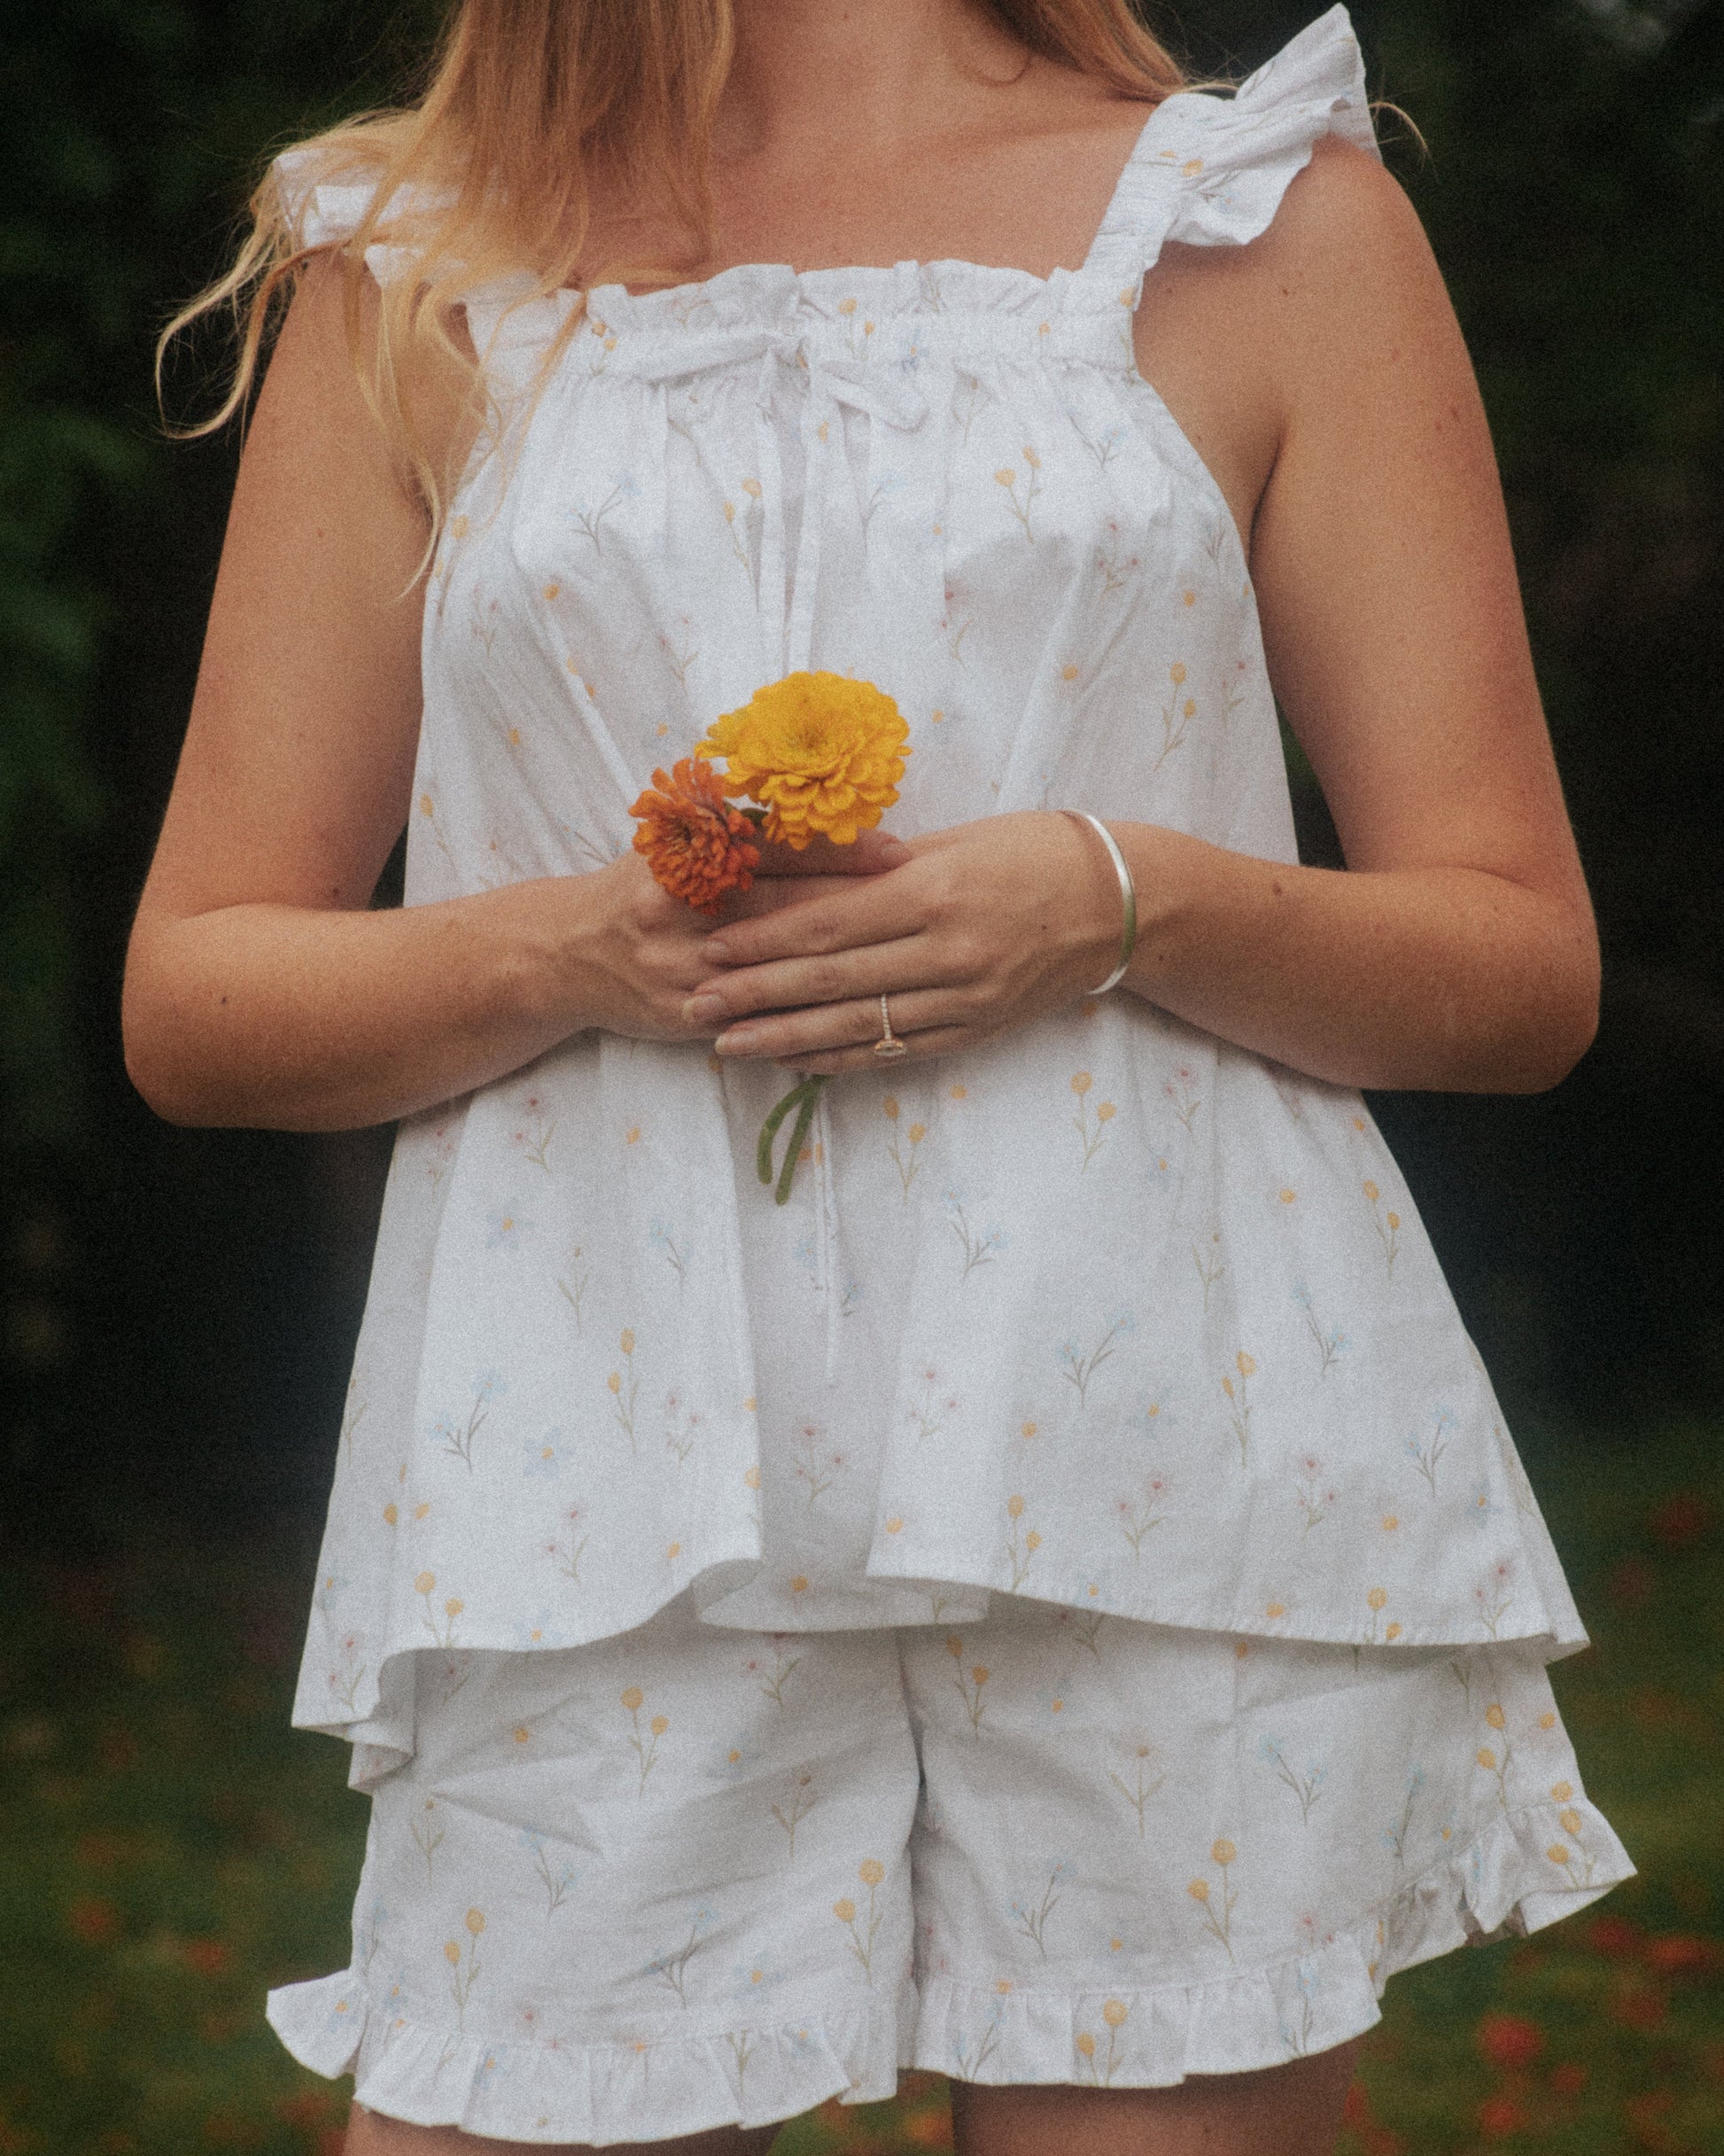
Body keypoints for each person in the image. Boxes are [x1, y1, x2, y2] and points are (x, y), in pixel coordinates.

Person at [123, 3, 1634, 2151]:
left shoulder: (1264, 223)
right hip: (605, 1496)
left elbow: (1516, 959)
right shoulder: (419, 261)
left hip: (1155, 1472)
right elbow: (196, 996)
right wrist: (575, 946)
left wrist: (1120, 896)